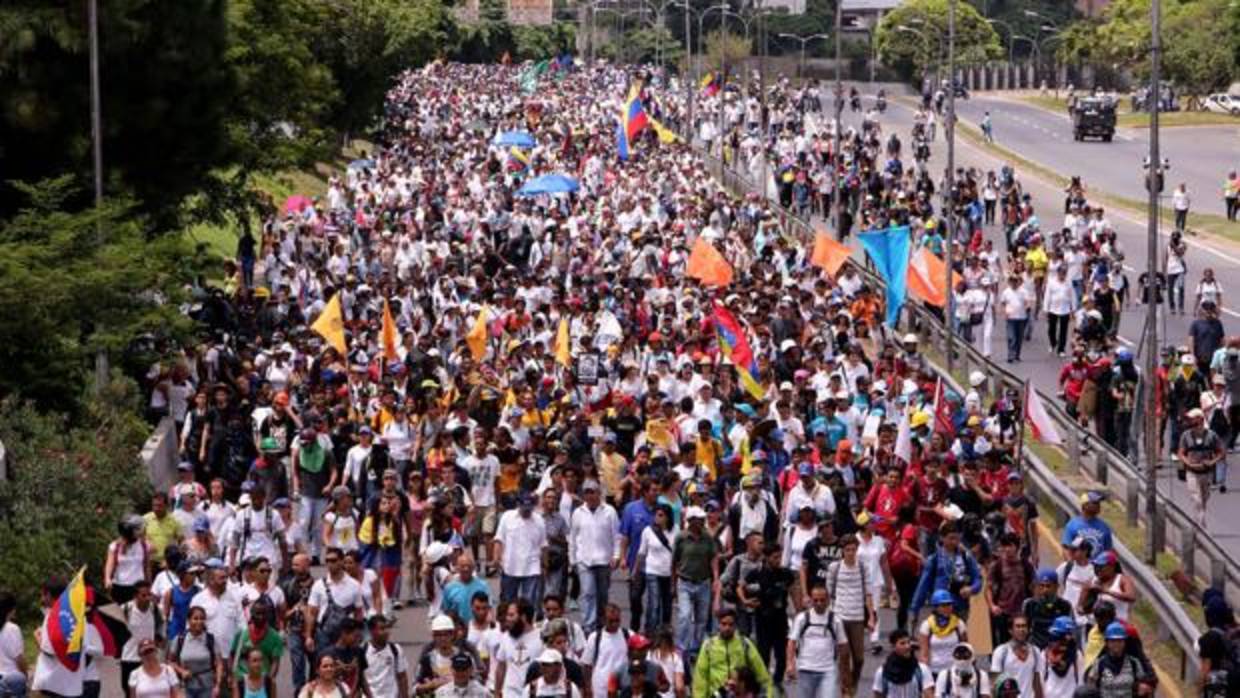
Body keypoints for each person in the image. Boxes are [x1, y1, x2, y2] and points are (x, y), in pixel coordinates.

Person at [569, 480, 620, 635]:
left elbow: (616, 535)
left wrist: (616, 555)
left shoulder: (609, 511)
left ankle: (601, 624)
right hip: (584, 560)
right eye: (587, 492)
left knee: (602, 595)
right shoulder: (578, 513)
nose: (590, 495)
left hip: (604, 560)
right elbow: (573, 538)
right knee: (587, 593)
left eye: (593, 492)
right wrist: (573, 560)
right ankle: (589, 627)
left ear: (599, 493)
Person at [691, 608, 772, 698]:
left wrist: (767, 695)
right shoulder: (708, 646)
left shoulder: (745, 644)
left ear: (735, 626)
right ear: (718, 624)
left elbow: (762, 675)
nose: (727, 628)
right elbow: (700, 679)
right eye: (724, 624)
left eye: (731, 624)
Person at [786, 584, 850, 698]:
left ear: (828, 600)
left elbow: (843, 647)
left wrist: (845, 676)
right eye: (815, 600)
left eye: (822, 600)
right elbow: (792, 642)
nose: (819, 603)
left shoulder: (835, 620)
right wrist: (790, 664)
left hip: (828, 671)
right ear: (811, 600)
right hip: (805, 669)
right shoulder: (802, 618)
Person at [671, 506, 718, 657]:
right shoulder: (681, 538)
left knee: (702, 618)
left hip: (703, 582)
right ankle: (681, 647)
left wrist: (715, 578)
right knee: (684, 616)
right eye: (699, 520)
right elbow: (674, 562)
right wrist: (673, 584)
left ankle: (696, 648)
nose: (702, 522)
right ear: (691, 521)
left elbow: (713, 557)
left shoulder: (707, 538)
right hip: (685, 582)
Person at [494, 492, 547, 605]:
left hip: (532, 568)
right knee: (508, 602)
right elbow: (499, 539)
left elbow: (543, 545)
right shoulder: (507, 517)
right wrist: (496, 558)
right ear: (518, 504)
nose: (527, 511)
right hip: (510, 566)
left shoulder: (539, 520)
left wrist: (544, 565)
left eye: (529, 508)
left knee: (528, 604)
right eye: (524, 507)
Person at [226, 599, 283, 695]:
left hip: (262, 680)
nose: (261, 617)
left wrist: (268, 680)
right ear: (252, 614)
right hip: (242, 681)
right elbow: (232, 656)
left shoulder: (275, 637)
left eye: (263, 614)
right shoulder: (241, 634)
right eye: (257, 613)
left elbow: (275, 662)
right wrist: (232, 676)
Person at [1180, 406, 1225, 525]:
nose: (1189, 421)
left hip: (1207, 472)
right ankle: (1201, 525)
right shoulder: (1186, 435)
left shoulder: (1211, 435)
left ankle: (1198, 519)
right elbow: (1181, 453)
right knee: (1196, 499)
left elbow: (1220, 452)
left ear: (1200, 419)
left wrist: (1212, 462)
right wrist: (1187, 462)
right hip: (1192, 472)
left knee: (1204, 499)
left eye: (1192, 419)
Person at [1083, 623, 1153, 697]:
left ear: (1124, 642)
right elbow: (1090, 689)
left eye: (1119, 641)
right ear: (1107, 643)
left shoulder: (1134, 663)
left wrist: (1143, 688)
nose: (1116, 644)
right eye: (1113, 641)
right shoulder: (1099, 663)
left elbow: (1144, 686)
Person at [168, 606, 222, 698]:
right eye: (195, 618)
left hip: (207, 687)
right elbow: (170, 661)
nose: (199, 622)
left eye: (202, 618)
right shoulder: (180, 639)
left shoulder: (211, 639)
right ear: (188, 620)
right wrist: (181, 671)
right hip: (185, 687)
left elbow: (219, 664)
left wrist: (217, 685)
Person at [989, 616, 1044, 697]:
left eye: (1024, 626)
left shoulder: (1036, 652)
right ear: (1010, 630)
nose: (1021, 630)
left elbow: (1037, 682)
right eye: (1018, 626)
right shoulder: (1001, 652)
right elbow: (995, 684)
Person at [917, 590, 968, 677]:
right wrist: (924, 675)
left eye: (949, 604)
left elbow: (965, 648)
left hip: (955, 671)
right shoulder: (927, 626)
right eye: (943, 605)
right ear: (936, 607)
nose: (948, 608)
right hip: (934, 671)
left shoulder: (958, 624)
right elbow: (924, 653)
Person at [872, 629, 933, 698]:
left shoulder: (921, 670)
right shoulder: (882, 673)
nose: (907, 646)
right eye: (902, 643)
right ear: (893, 646)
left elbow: (929, 695)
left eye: (908, 642)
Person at [363, 615, 411, 698]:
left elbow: (402, 676)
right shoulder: (363, 652)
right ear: (372, 631)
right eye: (382, 629)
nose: (386, 631)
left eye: (387, 628)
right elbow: (362, 680)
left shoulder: (395, 649)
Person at [0, 592, 27, 697]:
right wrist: (26, 675)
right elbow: (19, 659)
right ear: (11, 609)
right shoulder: (12, 629)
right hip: (11, 682)